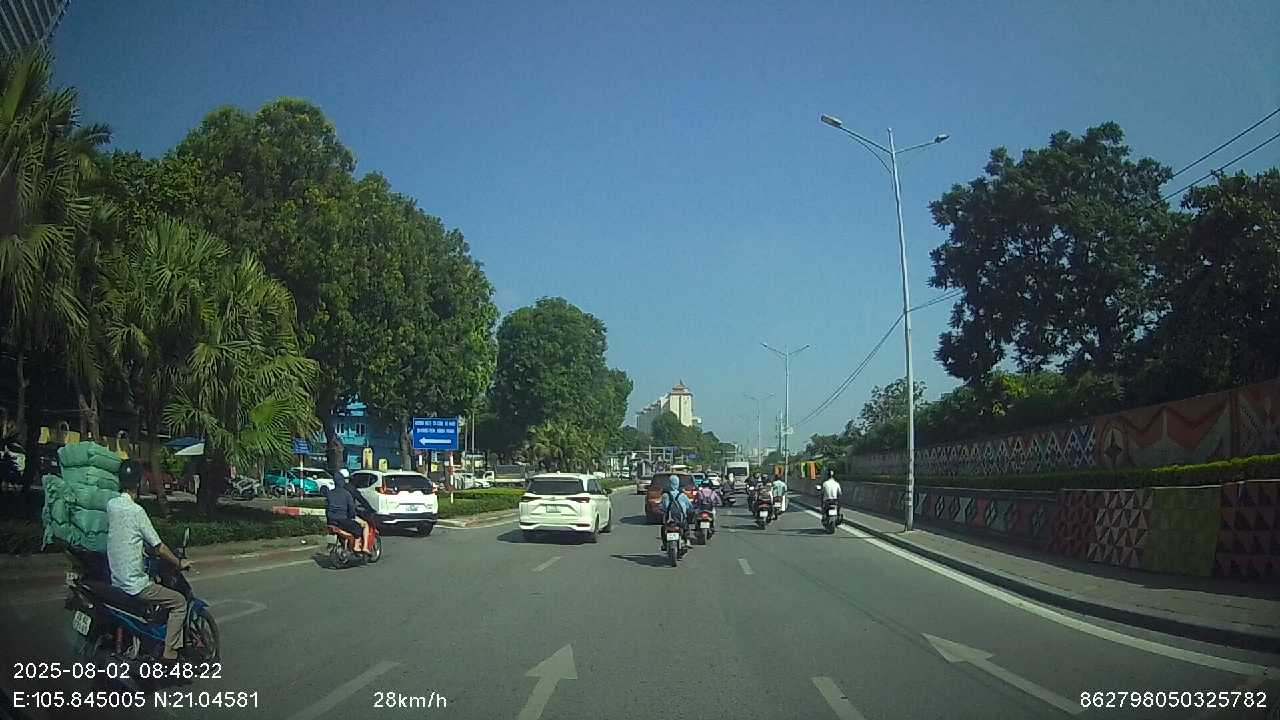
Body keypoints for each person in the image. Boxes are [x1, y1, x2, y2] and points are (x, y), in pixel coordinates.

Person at [106, 462, 191, 662]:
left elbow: (125, 534)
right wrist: (179, 563)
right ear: (139, 483)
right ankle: (169, 652)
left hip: (116, 580)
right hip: (135, 585)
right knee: (179, 602)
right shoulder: (137, 511)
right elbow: (159, 547)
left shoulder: (111, 506)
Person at [325, 469, 369, 553]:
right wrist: (352, 516)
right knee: (359, 527)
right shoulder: (346, 493)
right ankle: (356, 546)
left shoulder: (330, 493)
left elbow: (327, 507)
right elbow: (351, 508)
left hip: (331, 520)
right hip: (343, 520)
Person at [658, 475, 695, 548]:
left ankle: (664, 544)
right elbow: (689, 506)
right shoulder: (682, 495)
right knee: (686, 528)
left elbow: (662, 507)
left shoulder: (665, 495)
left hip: (669, 519)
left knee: (663, 529)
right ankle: (687, 541)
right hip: (680, 519)